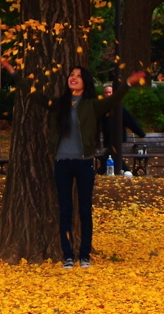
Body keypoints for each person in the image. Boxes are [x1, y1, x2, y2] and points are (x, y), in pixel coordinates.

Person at [48, 65, 142, 269]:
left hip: (84, 163)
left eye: (79, 76)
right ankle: (68, 256)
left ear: (85, 82)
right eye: (71, 75)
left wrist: (127, 84)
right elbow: (35, 97)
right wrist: (13, 73)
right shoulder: (60, 104)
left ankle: (84, 255)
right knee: (65, 210)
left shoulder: (91, 105)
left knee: (84, 210)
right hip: (62, 163)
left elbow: (113, 100)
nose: (73, 78)